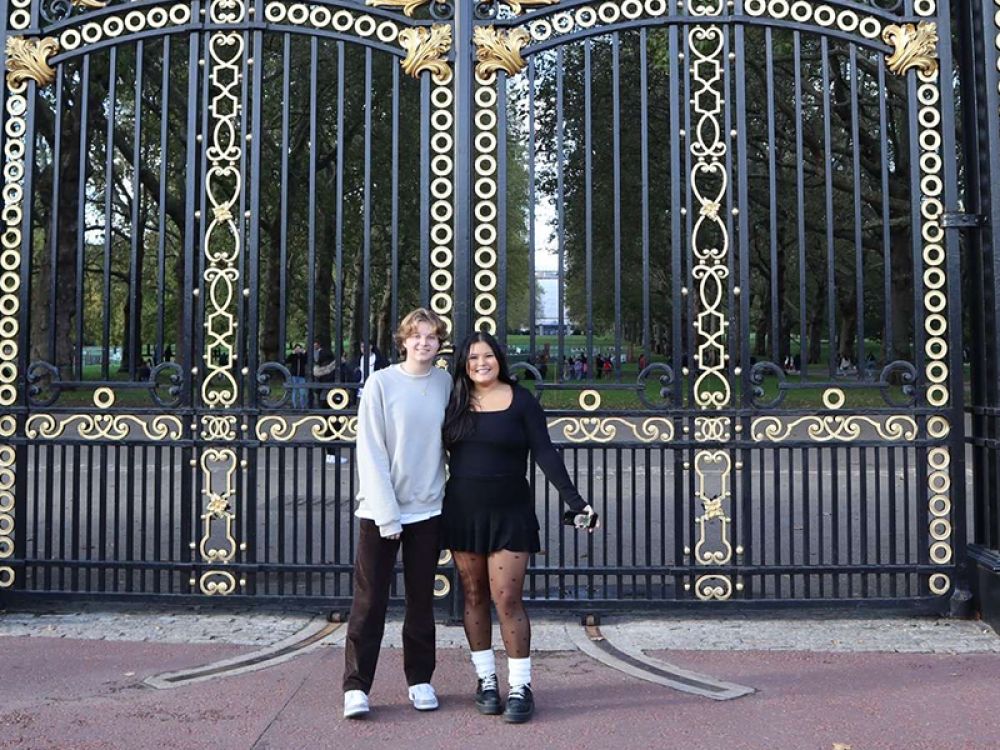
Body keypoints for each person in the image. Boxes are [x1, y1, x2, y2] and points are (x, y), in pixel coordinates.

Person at [441, 331, 598, 724]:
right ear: (463, 362)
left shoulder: (521, 400)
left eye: (488, 356)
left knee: (507, 598)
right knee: (473, 595)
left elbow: (545, 451)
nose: (481, 363)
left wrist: (576, 502)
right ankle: (486, 681)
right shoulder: (452, 400)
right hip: (463, 510)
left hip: (511, 511)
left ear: (500, 359)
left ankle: (520, 685)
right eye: (473, 357)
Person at [343, 308, 452, 720]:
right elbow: (370, 451)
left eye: (431, 337)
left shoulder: (444, 383)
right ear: (403, 340)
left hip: (428, 510)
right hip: (381, 511)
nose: (423, 343)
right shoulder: (381, 383)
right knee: (369, 601)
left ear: (439, 343)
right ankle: (356, 685)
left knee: (421, 600)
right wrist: (387, 515)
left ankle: (420, 679)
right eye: (416, 336)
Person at [286, 343, 307, 409]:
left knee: (302, 391)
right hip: (294, 375)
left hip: (301, 375)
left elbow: (307, 360)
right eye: (296, 348)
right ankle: (294, 406)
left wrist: (304, 353)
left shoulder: (302, 356)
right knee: (294, 390)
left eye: (299, 348)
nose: (298, 350)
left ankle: (302, 406)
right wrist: (292, 354)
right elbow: (287, 360)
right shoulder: (293, 356)